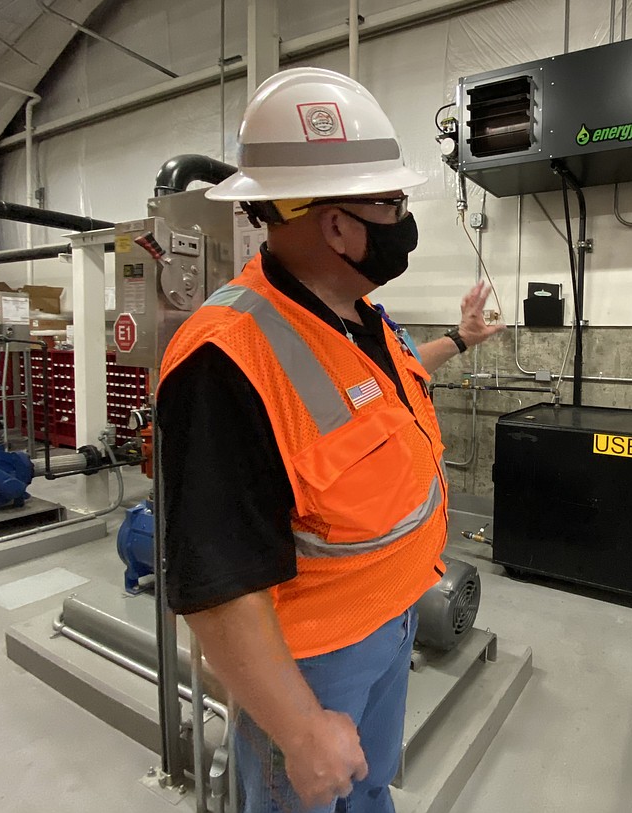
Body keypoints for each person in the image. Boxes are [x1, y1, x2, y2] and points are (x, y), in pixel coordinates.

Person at [156, 67, 503, 813]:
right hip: (309, 663)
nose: (402, 218)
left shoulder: (358, 313)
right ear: (338, 226)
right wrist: (299, 725)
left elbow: (390, 392)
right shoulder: (224, 359)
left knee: (370, 787)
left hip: (390, 620)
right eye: (391, 202)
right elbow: (217, 585)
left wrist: (459, 339)